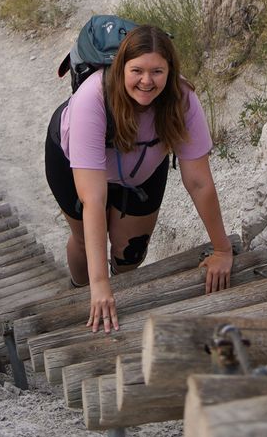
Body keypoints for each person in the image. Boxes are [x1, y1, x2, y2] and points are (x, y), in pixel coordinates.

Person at [44, 22, 233, 332]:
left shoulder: (181, 100)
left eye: (157, 71)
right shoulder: (93, 99)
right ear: (121, 68)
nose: (147, 81)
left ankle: (121, 293)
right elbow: (93, 199)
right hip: (73, 165)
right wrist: (99, 285)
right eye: (137, 71)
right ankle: (79, 295)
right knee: (83, 241)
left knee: (130, 252)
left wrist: (222, 250)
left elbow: (199, 182)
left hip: (141, 172)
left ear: (170, 72)